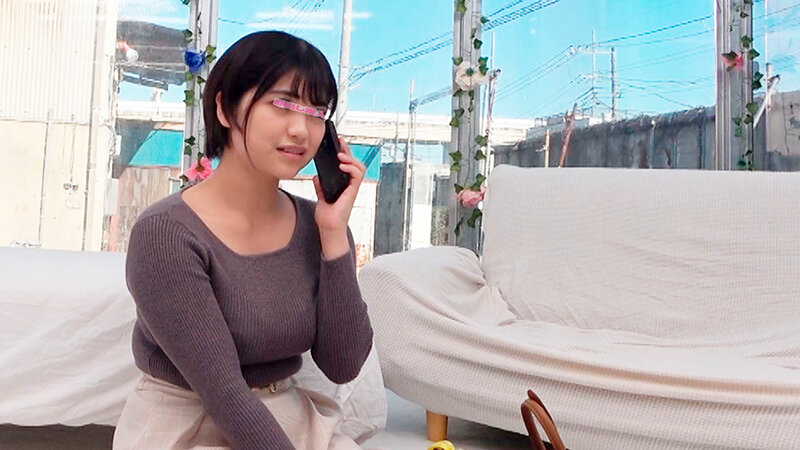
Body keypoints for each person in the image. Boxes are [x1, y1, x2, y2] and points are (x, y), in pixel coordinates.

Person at [113, 31, 374, 450]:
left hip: (287, 415)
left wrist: (333, 234)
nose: (301, 129)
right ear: (224, 108)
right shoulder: (165, 233)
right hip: (187, 424)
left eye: (316, 112)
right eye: (283, 104)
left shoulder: (319, 225)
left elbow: (343, 365)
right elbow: (224, 394)